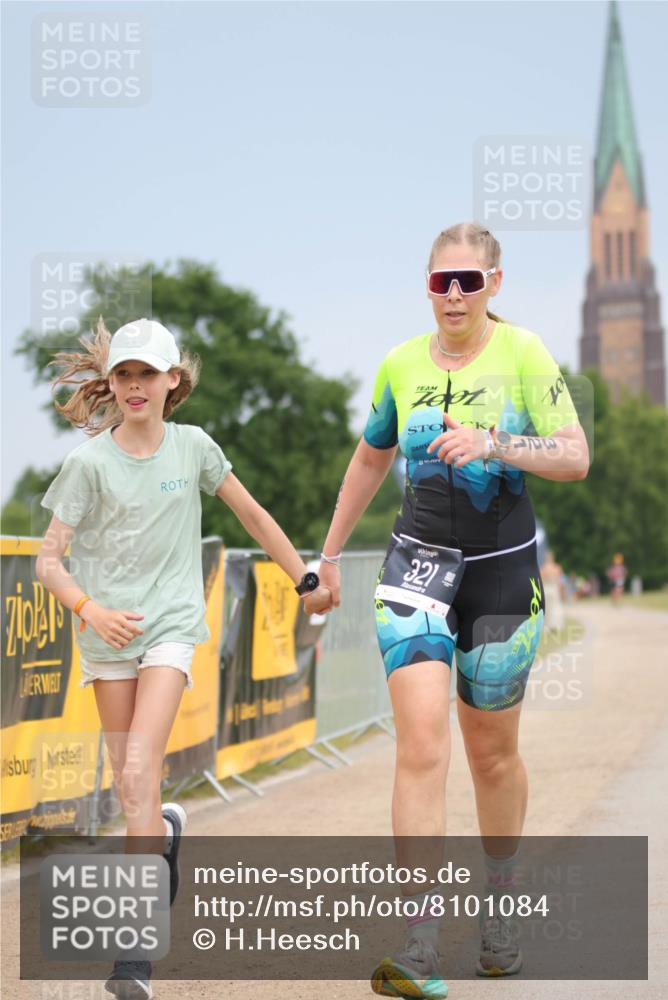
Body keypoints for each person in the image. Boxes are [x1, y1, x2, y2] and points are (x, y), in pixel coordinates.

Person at [315, 223, 589, 997]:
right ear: (427, 287)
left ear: (495, 283)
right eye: (443, 282)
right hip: (416, 566)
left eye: (470, 280)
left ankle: (498, 921)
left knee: (491, 754)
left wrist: (496, 442)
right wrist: (327, 557)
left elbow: (574, 456)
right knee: (422, 744)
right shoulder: (400, 364)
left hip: (502, 576)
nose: (456, 294)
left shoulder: (525, 354)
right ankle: (420, 945)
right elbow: (371, 454)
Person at [36, 317, 331, 1000]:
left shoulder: (194, 447)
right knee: (134, 787)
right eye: (123, 374)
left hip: (170, 624)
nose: (135, 386)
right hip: (105, 636)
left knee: (139, 766)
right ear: (110, 384)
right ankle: (162, 833)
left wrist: (304, 580)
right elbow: (50, 561)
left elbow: (253, 515)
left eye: (148, 374)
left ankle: (132, 955)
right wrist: (91, 610)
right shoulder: (87, 465)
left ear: (175, 381)